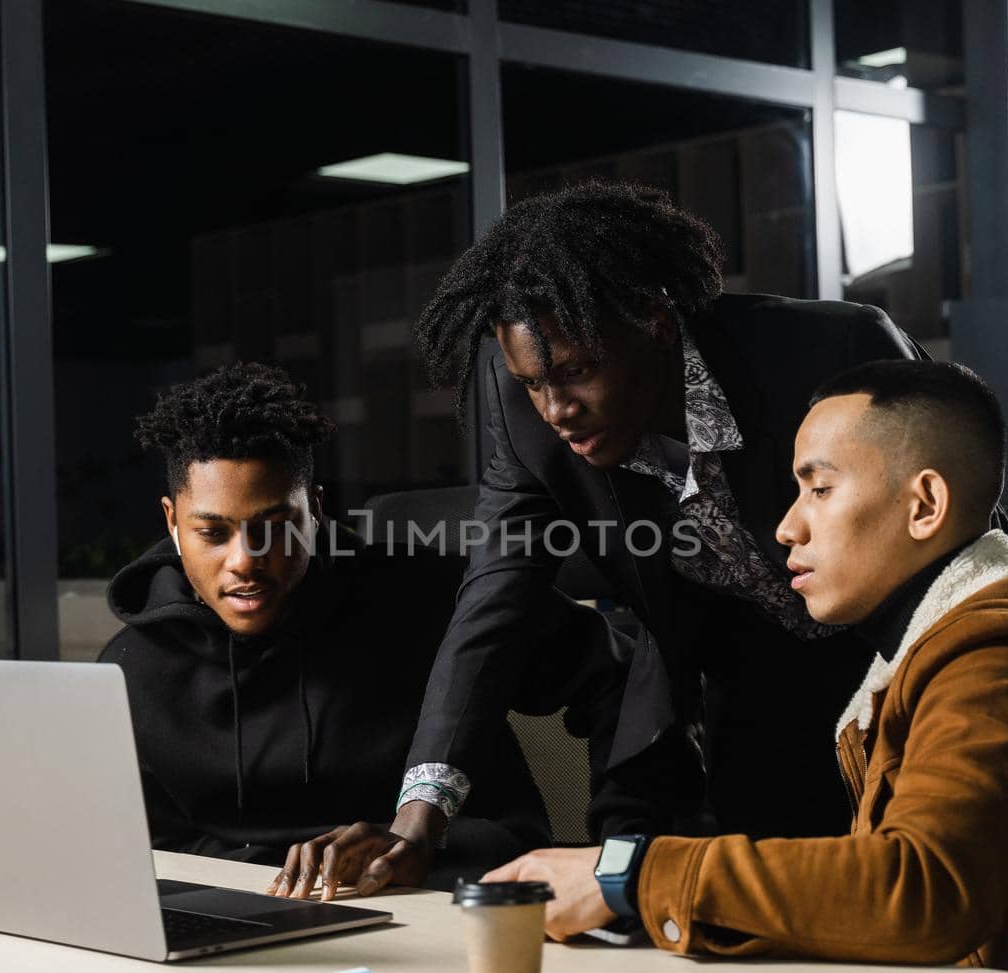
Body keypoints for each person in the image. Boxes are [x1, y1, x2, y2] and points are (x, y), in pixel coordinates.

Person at [486, 360, 1008, 973]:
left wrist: (628, 875)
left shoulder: (1001, 658)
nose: (787, 527)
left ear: (924, 505)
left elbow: (921, 890)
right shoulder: (944, 644)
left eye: (820, 490)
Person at [287, 179, 928, 897]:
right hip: (741, 696)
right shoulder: (530, 414)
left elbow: (968, 559)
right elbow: (490, 612)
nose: (556, 407)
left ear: (652, 320)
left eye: (577, 372)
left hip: (896, 679)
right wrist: (418, 820)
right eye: (533, 383)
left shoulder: (831, 350)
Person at [100, 362, 612, 890]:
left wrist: (623, 853)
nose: (244, 561)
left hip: (447, 896)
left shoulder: (432, 600)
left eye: (274, 530)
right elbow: (146, 851)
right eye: (212, 533)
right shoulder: (133, 665)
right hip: (240, 916)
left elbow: (614, 672)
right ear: (171, 522)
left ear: (315, 510)